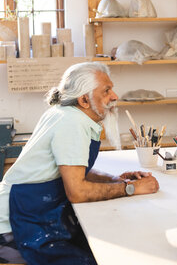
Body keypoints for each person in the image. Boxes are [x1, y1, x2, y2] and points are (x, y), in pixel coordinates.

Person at [0, 62, 160, 264]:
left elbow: (74, 169)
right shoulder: (72, 123)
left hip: (35, 209)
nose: (114, 96)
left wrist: (113, 179)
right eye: (106, 91)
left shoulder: (65, 114)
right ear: (84, 99)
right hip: (15, 224)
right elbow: (77, 192)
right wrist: (129, 189)